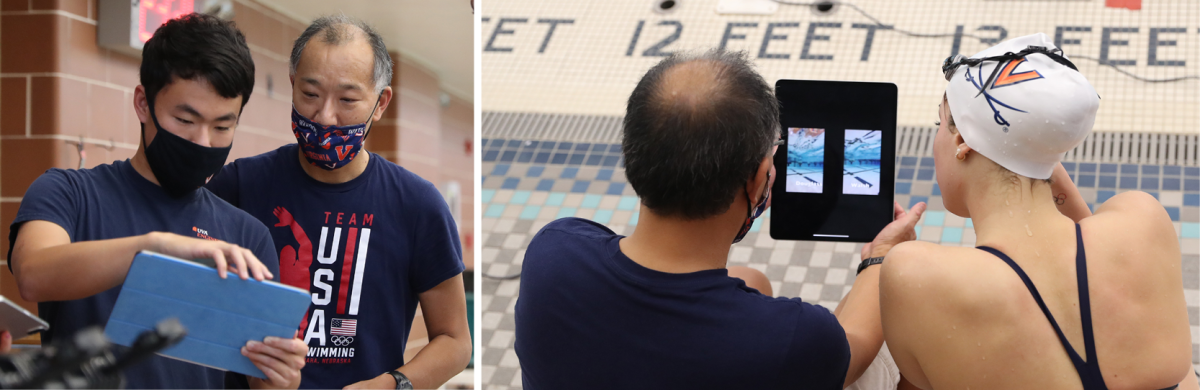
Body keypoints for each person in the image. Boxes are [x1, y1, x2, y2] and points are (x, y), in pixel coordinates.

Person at [514, 50, 925, 389]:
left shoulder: (552, 252)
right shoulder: (792, 338)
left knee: (752, 282)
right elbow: (854, 345)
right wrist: (882, 257)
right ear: (760, 178)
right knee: (910, 332)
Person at [879, 33, 1198, 390]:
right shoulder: (1143, 220)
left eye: (940, 124)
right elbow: (1093, 283)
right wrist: (1040, 164)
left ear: (961, 141)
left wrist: (875, 260)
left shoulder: (915, 275)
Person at [6, 13, 307, 389]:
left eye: (222, 126)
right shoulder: (69, 193)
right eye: (185, 119)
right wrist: (155, 247)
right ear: (143, 104)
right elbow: (33, 274)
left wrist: (281, 377)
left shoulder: (246, 237)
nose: (202, 142)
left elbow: (256, 380)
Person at [205, 15, 471, 389]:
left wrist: (391, 385)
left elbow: (455, 341)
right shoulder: (240, 185)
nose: (325, 116)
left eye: (347, 100)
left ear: (381, 104)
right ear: (293, 84)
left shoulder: (417, 205)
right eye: (310, 95)